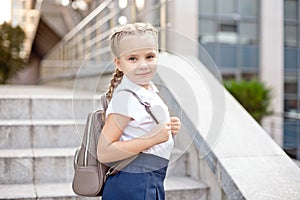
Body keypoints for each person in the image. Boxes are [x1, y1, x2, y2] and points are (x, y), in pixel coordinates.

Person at [97, 22, 181, 200]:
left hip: (149, 180)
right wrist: (153, 138)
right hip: (133, 184)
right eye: (133, 58)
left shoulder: (148, 90)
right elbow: (104, 152)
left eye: (149, 56)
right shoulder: (124, 98)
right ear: (119, 64)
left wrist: (167, 128)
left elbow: (140, 129)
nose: (143, 65)